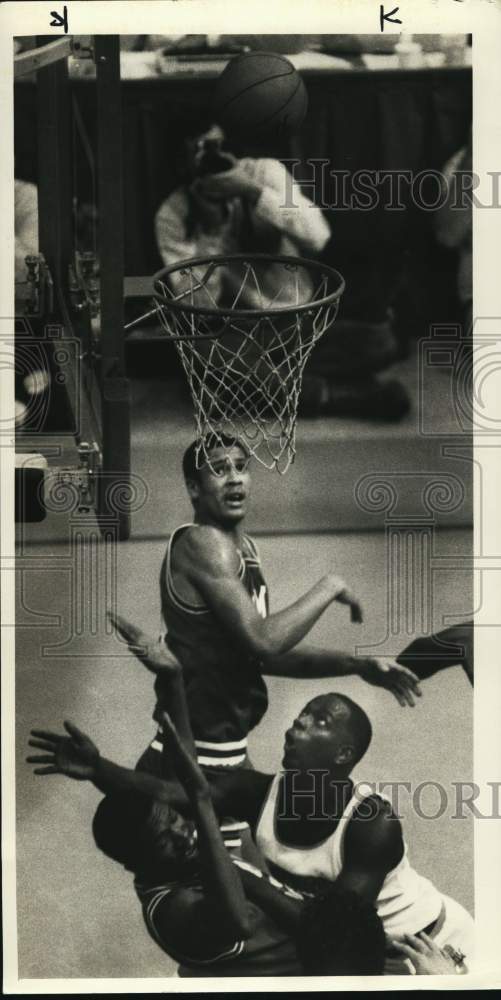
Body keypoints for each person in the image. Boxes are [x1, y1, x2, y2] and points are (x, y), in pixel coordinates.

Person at [113, 615, 473, 976]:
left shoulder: (371, 823)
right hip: (369, 960)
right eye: (303, 714)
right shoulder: (257, 795)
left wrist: (241, 876)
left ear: (343, 755)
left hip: (437, 947)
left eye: (319, 721)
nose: (299, 723)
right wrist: (101, 762)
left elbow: (335, 934)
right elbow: (182, 792)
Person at [147, 433, 421, 775]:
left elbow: (261, 654)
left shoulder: (245, 550)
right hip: (193, 754)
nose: (234, 477)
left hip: (224, 753)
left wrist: (358, 665)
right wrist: (329, 586)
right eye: (219, 469)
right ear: (193, 488)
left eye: (242, 467)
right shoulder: (201, 543)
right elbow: (264, 639)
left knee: (260, 825)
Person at [154, 123, 410, 421]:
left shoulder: (265, 174)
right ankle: (341, 398)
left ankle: (258, 390)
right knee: (204, 354)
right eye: (200, 152)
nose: (214, 159)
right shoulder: (173, 213)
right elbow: (200, 308)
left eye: (218, 146)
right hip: (238, 332)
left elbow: (318, 236)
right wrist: (212, 232)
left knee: (382, 341)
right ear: (182, 162)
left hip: (301, 323)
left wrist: (254, 194)